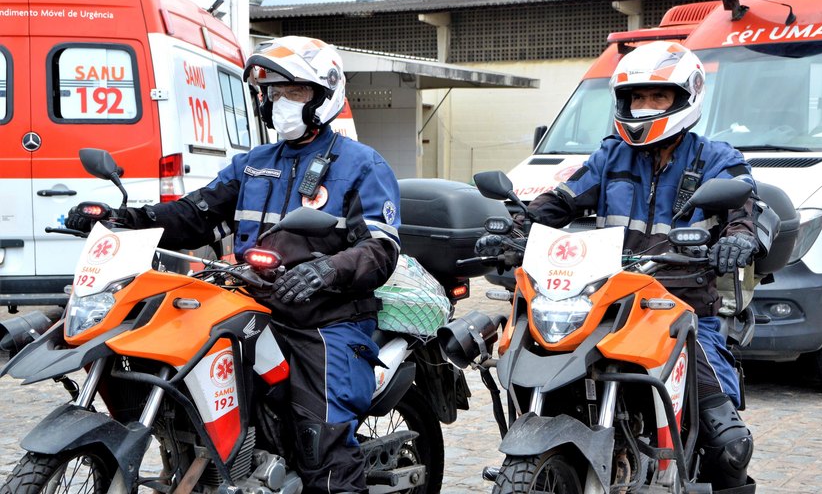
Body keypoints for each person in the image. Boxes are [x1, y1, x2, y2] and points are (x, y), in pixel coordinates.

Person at [66, 36, 401, 493]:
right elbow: (193, 215)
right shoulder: (252, 164)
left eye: (295, 92)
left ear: (325, 96)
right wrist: (122, 218)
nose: (280, 103)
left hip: (322, 319)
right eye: (273, 93)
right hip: (246, 303)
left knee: (320, 440)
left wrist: (323, 271)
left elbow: (381, 249)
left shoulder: (362, 164)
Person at [477, 41, 756, 494]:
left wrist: (739, 240)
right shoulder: (611, 156)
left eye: (657, 97)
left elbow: (746, 210)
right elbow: (558, 202)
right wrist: (516, 230)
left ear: (685, 99)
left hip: (682, 310)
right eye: (636, 98)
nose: (644, 106)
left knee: (726, 440)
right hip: (613, 303)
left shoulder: (717, 160)